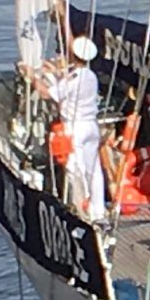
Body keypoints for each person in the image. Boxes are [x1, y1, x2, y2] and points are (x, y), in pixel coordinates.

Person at [44, 36, 105, 217]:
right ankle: (98, 210)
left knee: (74, 168)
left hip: (75, 127)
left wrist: (31, 76)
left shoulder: (73, 79)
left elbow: (48, 94)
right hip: (91, 126)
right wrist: (57, 72)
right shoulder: (91, 76)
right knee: (93, 169)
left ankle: (83, 209)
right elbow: (69, 83)